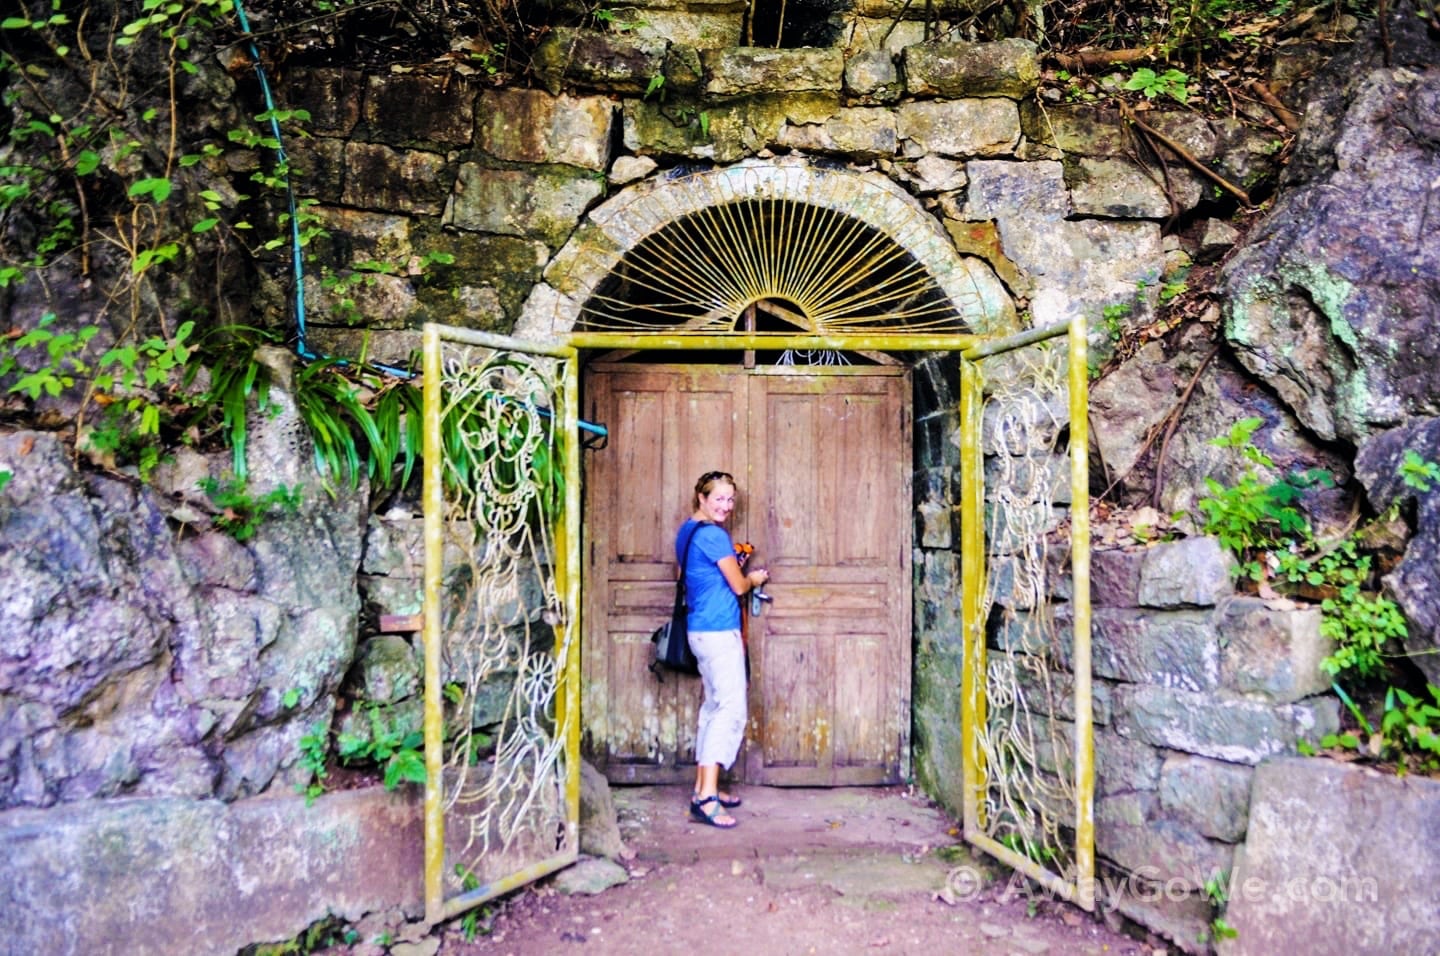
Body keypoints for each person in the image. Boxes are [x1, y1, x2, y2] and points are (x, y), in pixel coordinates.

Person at [678, 470, 769, 829]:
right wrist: (754, 578)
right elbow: (740, 586)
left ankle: (704, 786)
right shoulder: (715, 536)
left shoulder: (688, 530)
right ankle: (707, 798)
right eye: (719, 498)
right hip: (718, 631)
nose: (726, 506)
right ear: (701, 497)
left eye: (731, 500)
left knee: (712, 707)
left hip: (699, 629)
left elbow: (691, 574)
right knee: (729, 710)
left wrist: (730, 567)